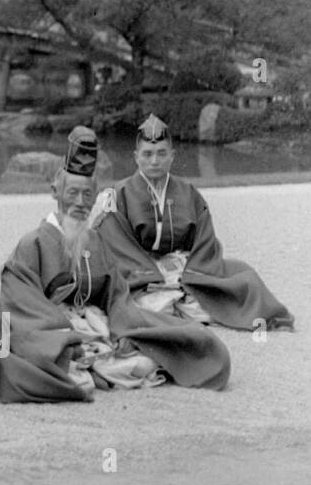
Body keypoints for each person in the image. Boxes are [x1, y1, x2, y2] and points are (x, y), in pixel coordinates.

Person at [0, 127, 231, 403]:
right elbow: (20, 303)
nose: (80, 203)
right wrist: (65, 333)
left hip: (99, 327)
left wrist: (122, 329)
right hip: (55, 331)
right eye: (72, 193)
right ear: (55, 192)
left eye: (88, 196)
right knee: (45, 362)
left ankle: (96, 364)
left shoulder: (95, 241)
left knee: (183, 347)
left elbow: (118, 295)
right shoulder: (31, 244)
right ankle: (81, 363)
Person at [96, 113, 293, 332]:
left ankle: (181, 299)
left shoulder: (188, 192)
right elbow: (114, 241)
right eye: (148, 154)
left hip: (184, 266)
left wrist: (189, 270)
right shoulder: (118, 194)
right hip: (139, 271)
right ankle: (178, 303)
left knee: (243, 273)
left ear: (172, 156)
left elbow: (205, 240)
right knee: (139, 303)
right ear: (136, 157)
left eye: (162, 153)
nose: (155, 161)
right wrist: (151, 272)